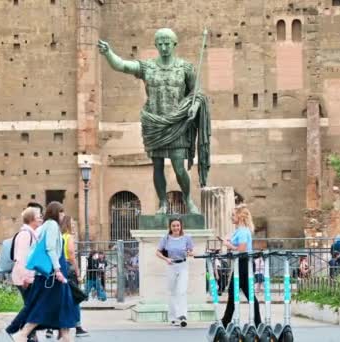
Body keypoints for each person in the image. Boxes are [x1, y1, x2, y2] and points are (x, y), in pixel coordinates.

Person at [98, 28, 211, 214]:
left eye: (168, 43)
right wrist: (109, 53)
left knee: (179, 167)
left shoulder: (186, 68)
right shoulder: (147, 67)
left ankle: (188, 199)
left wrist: (194, 106)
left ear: (175, 44)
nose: (164, 47)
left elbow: (197, 92)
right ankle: (163, 203)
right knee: (157, 165)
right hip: (154, 123)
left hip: (178, 123)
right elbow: (122, 66)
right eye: (161, 43)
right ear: (156, 45)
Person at [8, 201, 79, 342]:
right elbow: (50, 249)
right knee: (46, 306)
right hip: (54, 274)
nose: (63, 214)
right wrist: (58, 270)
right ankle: (22, 334)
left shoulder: (44, 226)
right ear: (55, 212)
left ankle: (64, 336)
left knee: (59, 306)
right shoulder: (52, 225)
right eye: (61, 211)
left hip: (49, 274)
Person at [220, 205, 262, 329]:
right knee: (242, 294)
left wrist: (228, 244)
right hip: (241, 264)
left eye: (233, 215)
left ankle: (225, 322)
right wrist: (227, 241)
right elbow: (234, 241)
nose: (231, 217)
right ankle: (257, 322)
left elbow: (242, 250)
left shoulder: (243, 231)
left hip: (244, 263)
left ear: (240, 217)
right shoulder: (240, 230)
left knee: (235, 293)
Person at [6, 207, 41, 342]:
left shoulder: (31, 233)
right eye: (38, 216)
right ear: (31, 218)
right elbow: (21, 258)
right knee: (31, 306)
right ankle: (12, 330)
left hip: (27, 276)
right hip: (24, 277)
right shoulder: (25, 234)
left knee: (31, 305)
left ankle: (30, 335)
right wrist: (26, 277)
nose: (40, 218)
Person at [155, 218, 194, 327]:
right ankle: (173, 317)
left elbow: (191, 250)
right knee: (172, 291)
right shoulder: (165, 238)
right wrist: (166, 259)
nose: (176, 228)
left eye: (178, 225)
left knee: (182, 290)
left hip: (183, 265)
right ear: (170, 227)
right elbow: (158, 252)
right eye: (173, 226)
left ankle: (182, 315)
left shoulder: (187, 238)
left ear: (181, 226)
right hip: (171, 265)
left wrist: (189, 253)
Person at [61, 215, 89, 337]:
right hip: (69, 268)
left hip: (61, 268)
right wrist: (78, 271)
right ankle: (78, 327)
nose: (73, 225)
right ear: (67, 224)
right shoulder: (68, 237)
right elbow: (72, 255)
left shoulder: (60, 237)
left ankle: (53, 328)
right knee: (75, 297)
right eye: (71, 223)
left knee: (62, 298)